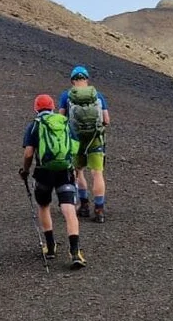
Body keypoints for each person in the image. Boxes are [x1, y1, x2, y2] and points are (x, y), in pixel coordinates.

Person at [19, 94, 86, 269]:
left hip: (43, 172)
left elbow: (28, 153)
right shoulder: (64, 123)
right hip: (65, 170)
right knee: (69, 209)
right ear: (53, 107)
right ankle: (75, 251)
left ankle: (50, 247)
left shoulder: (34, 125)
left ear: (36, 108)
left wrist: (25, 171)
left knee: (44, 205)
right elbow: (75, 147)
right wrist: (75, 168)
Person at [58, 65, 110, 222]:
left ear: (73, 80)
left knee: (78, 171)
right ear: (86, 79)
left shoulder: (66, 96)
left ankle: (84, 205)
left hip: (75, 140)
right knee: (97, 173)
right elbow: (106, 120)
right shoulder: (98, 95)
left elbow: (61, 120)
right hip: (95, 139)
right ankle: (99, 209)